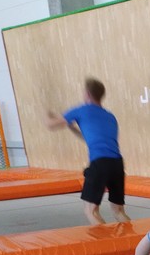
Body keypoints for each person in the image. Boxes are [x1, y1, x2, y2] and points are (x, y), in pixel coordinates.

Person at [46, 77, 129, 226]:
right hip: (117, 163)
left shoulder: (81, 110)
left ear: (87, 94)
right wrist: (72, 128)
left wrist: (47, 114)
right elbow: (91, 138)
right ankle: (136, 239)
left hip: (100, 162)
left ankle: (105, 240)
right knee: (119, 211)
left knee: (91, 211)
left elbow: (51, 125)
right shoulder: (110, 116)